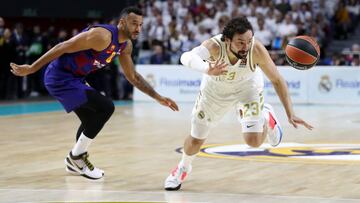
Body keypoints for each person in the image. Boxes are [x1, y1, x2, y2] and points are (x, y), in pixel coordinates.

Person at [10, 7, 179, 180]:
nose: (138, 28)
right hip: (60, 77)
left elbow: (133, 77)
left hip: (76, 78)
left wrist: (159, 98)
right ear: (122, 23)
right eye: (134, 23)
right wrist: (31, 68)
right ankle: (76, 157)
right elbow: (63, 46)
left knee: (91, 118)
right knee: (106, 107)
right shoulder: (102, 36)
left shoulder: (125, 45)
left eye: (141, 25)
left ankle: (75, 161)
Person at [164, 17, 313, 191]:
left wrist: (290, 113)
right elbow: (186, 57)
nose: (246, 46)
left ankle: (267, 117)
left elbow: (277, 80)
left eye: (249, 41)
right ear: (227, 40)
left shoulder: (256, 49)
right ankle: (183, 167)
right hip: (214, 93)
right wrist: (206, 68)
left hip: (247, 89)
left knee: (254, 141)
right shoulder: (214, 46)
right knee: (196, 138)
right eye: (240, 42)